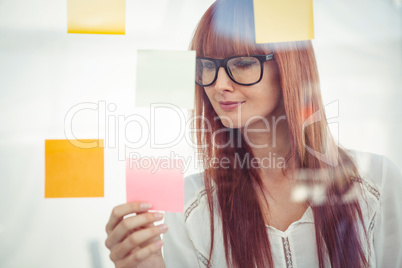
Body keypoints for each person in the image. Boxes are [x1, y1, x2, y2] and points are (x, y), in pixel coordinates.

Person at [104, 0, 402, 267]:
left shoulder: (376, 181)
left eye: (243, 63)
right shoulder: (189, 206)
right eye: (207, 66)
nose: (218, 85)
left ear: (289, 66)